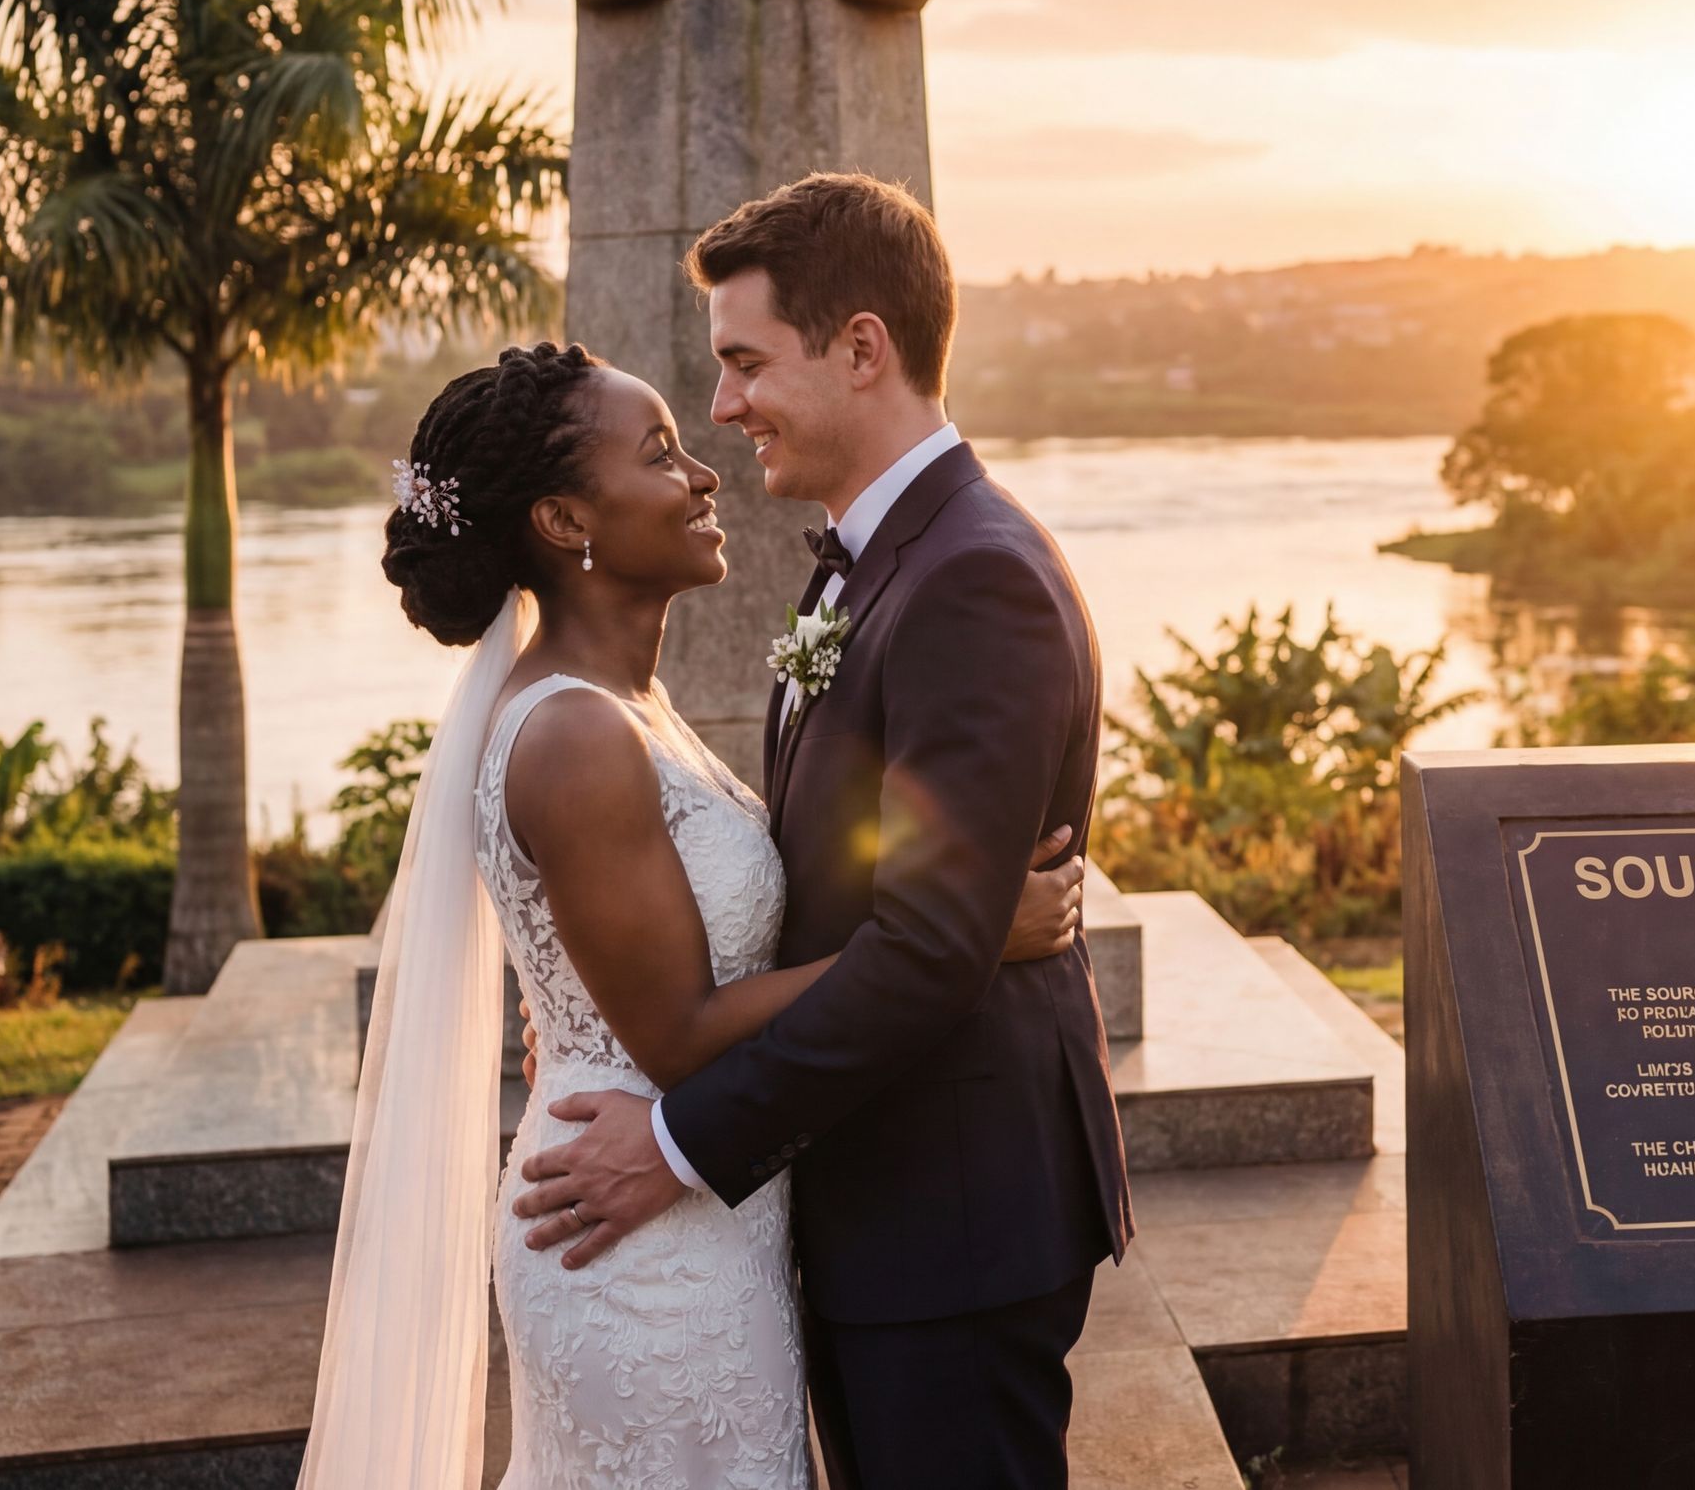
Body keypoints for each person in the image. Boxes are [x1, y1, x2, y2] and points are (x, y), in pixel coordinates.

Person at [298, 338, 1087, 1489]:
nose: (703, 471)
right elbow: (672, 1029)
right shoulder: (574, 733)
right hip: (637, 1245)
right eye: (660, 452)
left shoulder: (631, 706)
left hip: (705, 1214)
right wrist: (964, 936)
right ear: (568, 523)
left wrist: (569, 1017)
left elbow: (635, 971)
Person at [510, 175, 1134, 1489]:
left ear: (861, 348)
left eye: (745, 363)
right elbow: (855, 890)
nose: (724, 405)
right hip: (875, 1201)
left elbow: (923, 952)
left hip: (952, 1219)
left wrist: (676, 1142)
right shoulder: (866, 560)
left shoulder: (971, 578)